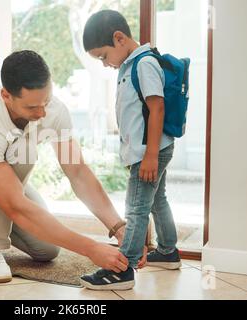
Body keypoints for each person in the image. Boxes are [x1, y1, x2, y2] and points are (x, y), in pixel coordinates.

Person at [0, 50, 128, 283]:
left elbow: (77, 172)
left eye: (46, 101)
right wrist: (91, 248)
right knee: (24, 153)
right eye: (32, 107)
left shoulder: (54, 110)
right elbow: (16, 206)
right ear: (6, 95)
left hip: (2, 175)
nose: (42, 112)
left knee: (46, 250)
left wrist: (117, 226)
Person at [80, 10, 181, 291]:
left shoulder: (144, 63)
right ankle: (169, 251)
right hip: (150, 151)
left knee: (136, 209)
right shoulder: (129, 65)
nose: (104, 64)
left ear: (119, 38)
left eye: (102, 56)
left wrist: (149, 156)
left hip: (148, 153)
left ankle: (122, 268)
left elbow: (156, 106)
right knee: (157, 200)